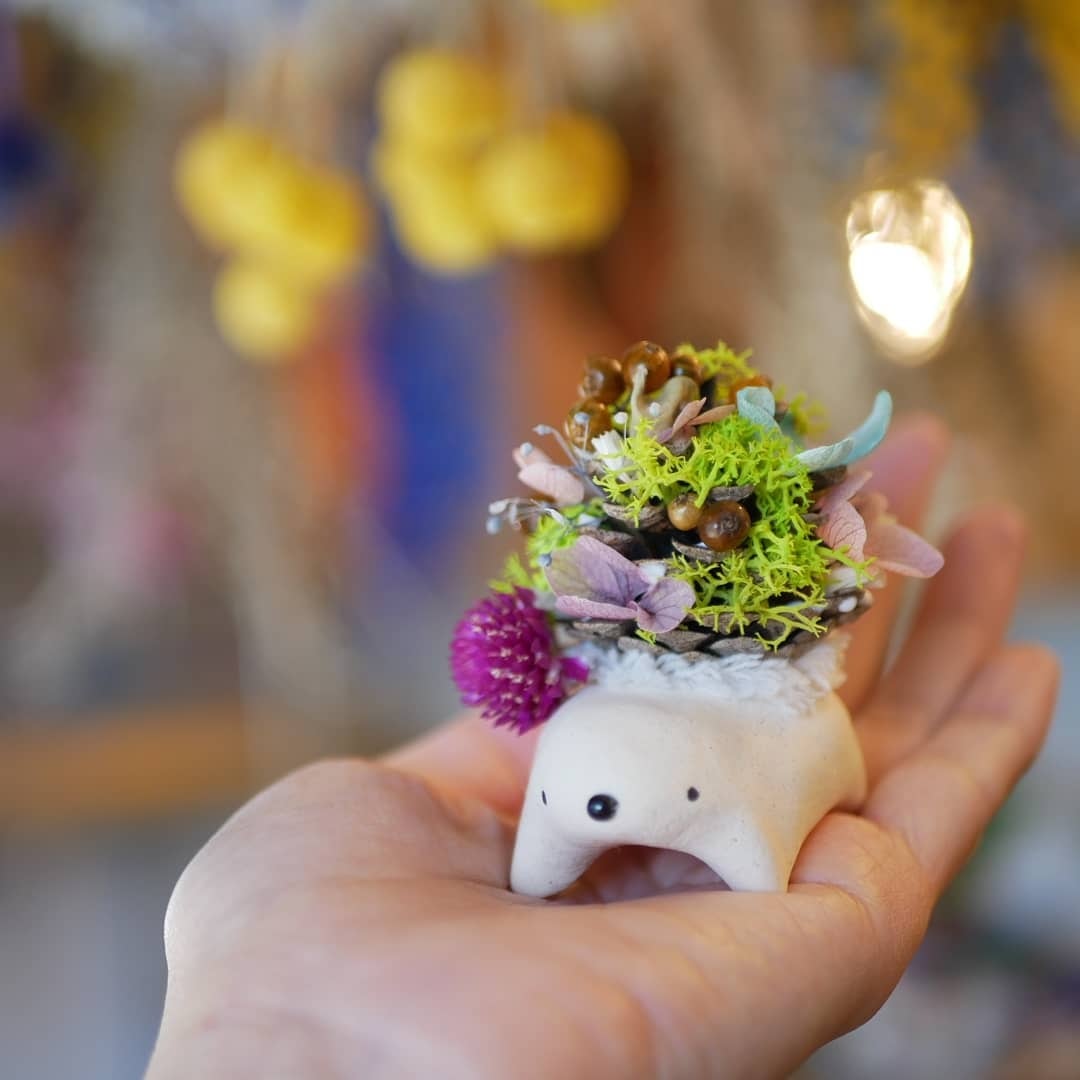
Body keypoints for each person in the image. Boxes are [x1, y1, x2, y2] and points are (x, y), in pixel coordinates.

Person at [145, 416, 1059, 1079]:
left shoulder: (763, 737)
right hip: (631, 736)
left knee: (782, 782)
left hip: (751, 742)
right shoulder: (581, 724)